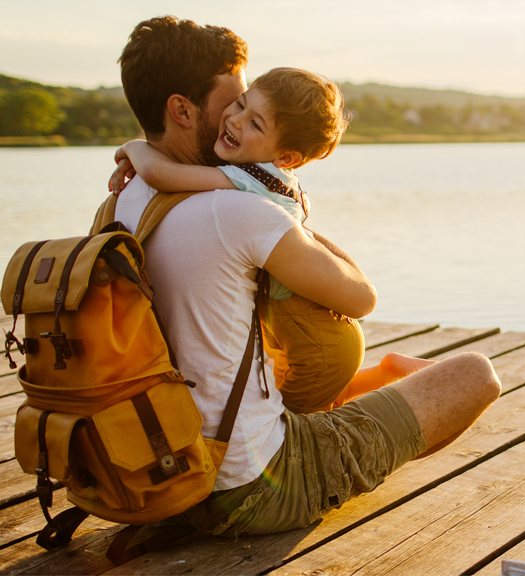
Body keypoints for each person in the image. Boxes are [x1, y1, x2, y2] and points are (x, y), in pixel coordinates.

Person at [106, 15, 501, 537]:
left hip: (157, 473)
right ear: (181, 109)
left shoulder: (121, 202)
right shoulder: (237, 211)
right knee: (475, 374)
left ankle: (371, 397)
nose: (235, 115)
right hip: (247, 486)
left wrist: (137, 149)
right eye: (233, 101)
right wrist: (290, 213)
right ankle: (361, 436)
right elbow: (360, 297)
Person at [109, 67, 434, 414]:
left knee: (290, 420)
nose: (235, 120)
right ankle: (389, 373)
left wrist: (134, 147)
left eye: (255, 124)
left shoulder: (244, 179)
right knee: (316, 404)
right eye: (239, 105)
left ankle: (399, 383)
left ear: (287, 157)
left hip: (311, 338)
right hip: (301, 330)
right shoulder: (276, 176)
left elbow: (162, 175)